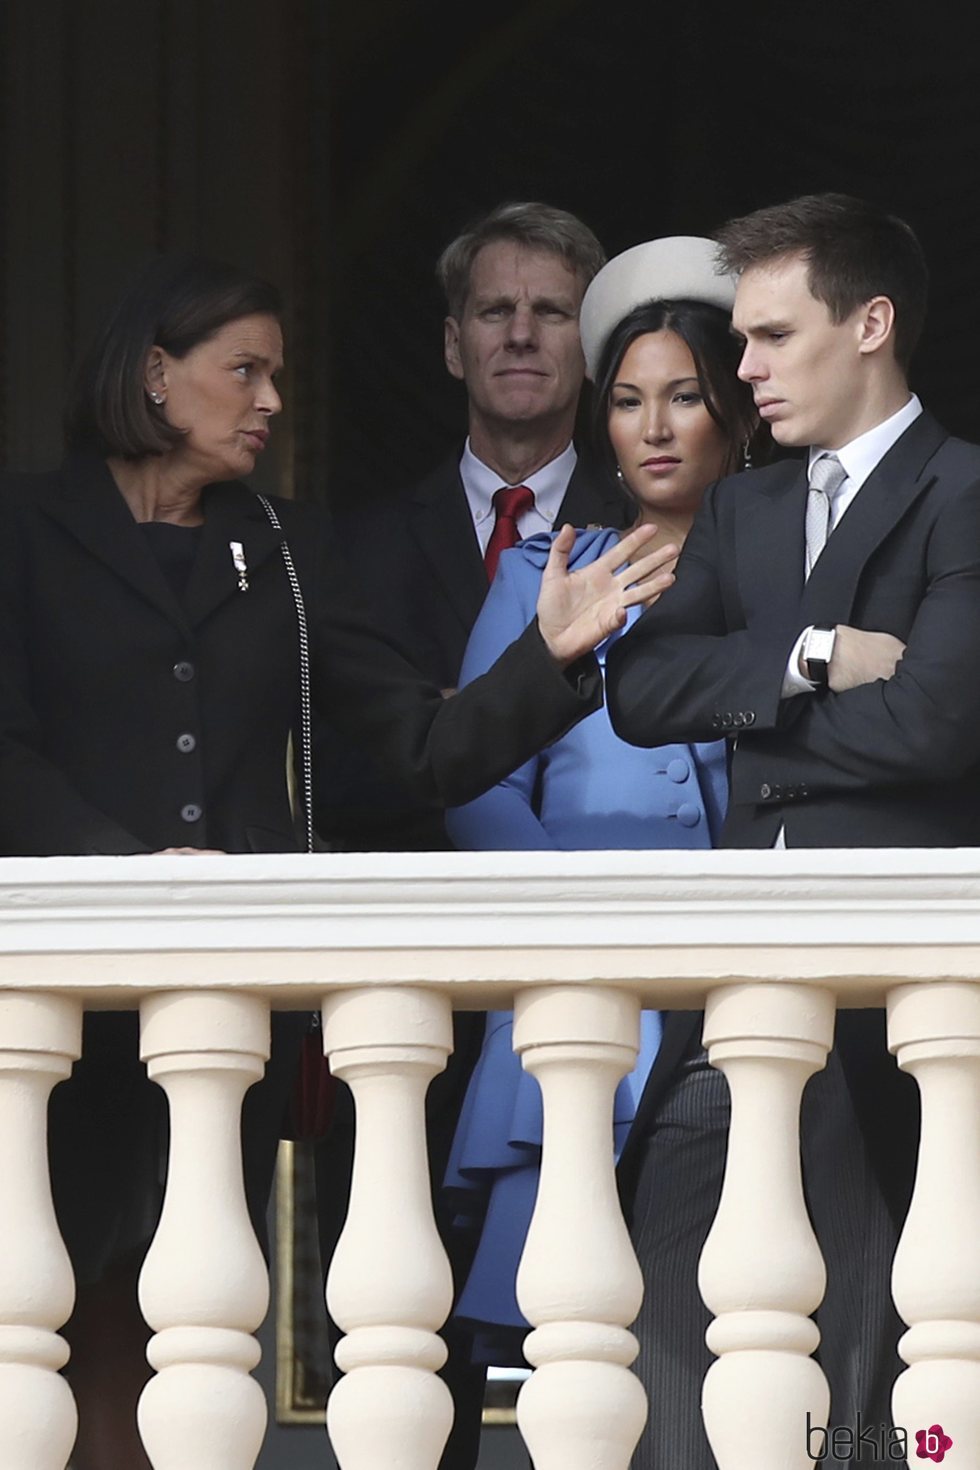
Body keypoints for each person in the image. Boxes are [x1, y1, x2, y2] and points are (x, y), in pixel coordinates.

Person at [0, 253, 676, 1470]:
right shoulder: (25, 529)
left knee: (190, 1309)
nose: (269, 401)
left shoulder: (287, 542)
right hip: (64, 994)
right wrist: (124, 868)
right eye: (241, 372)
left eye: (277, 374)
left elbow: (421, 742)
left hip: (233, 1010)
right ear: (156, 377)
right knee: (58, 1304)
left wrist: (549, 656)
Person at [607, 193, 980, 1465]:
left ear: (868, 323)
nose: (744, 370)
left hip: (892, 1012)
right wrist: (815, 655)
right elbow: (641, 692)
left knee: (875, 1370)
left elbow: (937, 727)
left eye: (769, 337)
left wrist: (750, 728)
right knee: (657, 1287)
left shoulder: (963, 492)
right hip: (732, 998)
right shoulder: (741, 513)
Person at [439, 237, 761, 1455]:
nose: (654, 428)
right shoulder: (541, 569)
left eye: (683, 397)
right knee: (573, 1351)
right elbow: (472, 789)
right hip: (580, 1005)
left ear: (731, 411)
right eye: (626, 402)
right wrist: (584, 928)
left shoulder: (782, 578)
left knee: (736, 1332)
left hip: (744, 998)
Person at [320, 200, 630, 852]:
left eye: (551, 312)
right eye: (495, 311)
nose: (521, 334)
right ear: (454, 347)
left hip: (602, 905)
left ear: (595, 346)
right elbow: (334, 773)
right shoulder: (354, 550)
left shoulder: (645, 532)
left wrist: (451, 711)